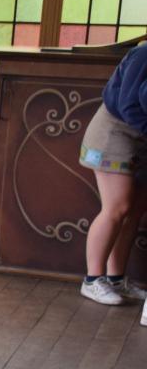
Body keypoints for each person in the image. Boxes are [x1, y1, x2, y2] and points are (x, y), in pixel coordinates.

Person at [79, 42, 147, 325]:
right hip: (113, 134)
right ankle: (92, 280)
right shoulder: (144, 53)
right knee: (116, 208)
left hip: (140, 138)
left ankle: (116, 279)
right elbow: (128, 104)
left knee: (133, 212)